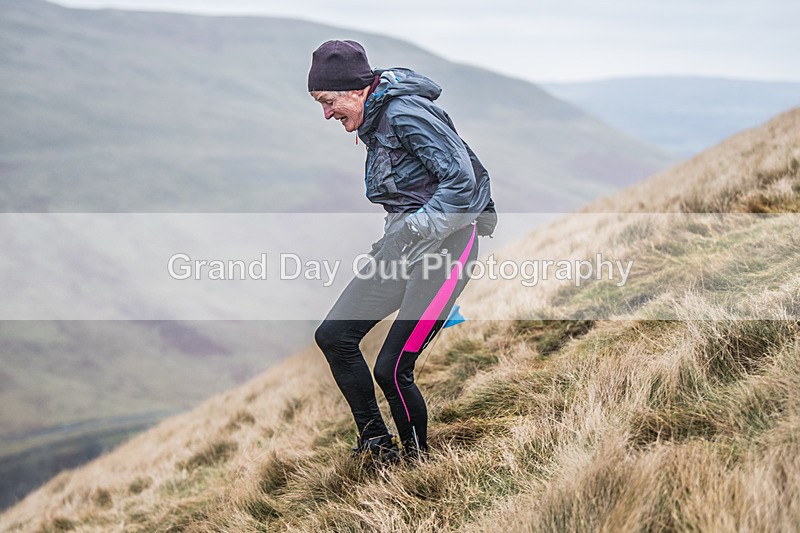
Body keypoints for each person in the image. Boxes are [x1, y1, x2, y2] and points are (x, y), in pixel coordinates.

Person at [308, 40, 497, 465]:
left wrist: (408, 235)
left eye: (328, 101)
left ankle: (417, 465)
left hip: (446, 249)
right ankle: (376, 444)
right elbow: (408, 194)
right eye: (319, 104)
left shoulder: (405, 113)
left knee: (392, 369)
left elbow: (461, 185)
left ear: (357, 90)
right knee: (334, 337)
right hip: (406, 248)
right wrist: (396, 242)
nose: (326, 113)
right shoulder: (376, 121)